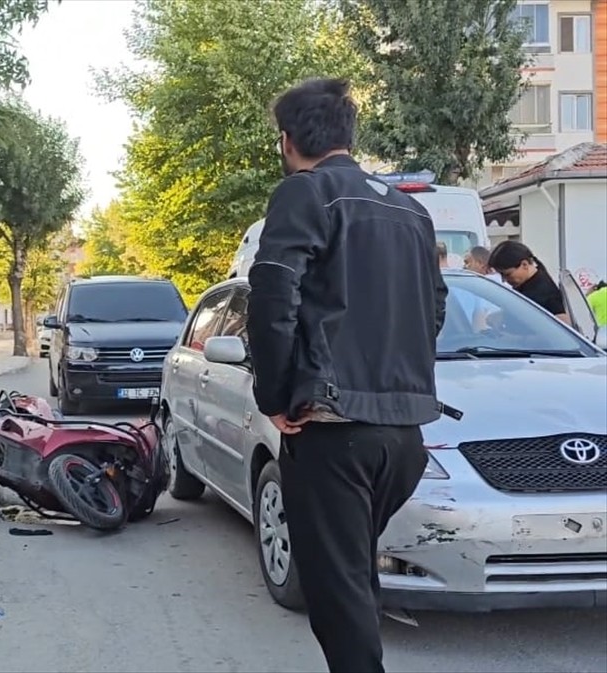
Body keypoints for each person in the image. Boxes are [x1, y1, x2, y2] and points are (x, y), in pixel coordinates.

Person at [247, 77, 447, 673]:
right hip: (404, 435)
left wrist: (274, 394)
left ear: (287, 141)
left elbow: (273, 293)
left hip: (334, 431)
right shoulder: (411, 210)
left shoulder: (304, 193)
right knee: (354, 578)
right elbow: (436, 307)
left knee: (338, 597)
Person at [487, 240, 569, 324]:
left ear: (524, 265)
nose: (504, 280)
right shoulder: (533, 280)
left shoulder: (543, 292)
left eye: (508, 274)